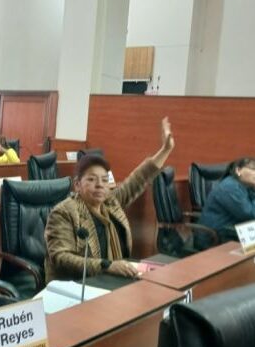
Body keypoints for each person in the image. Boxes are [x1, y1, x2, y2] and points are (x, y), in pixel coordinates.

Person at [44, 117, 175, 281]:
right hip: (77, 285)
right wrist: (107, 266)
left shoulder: (110, 202)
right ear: (77, 185)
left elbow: (139, 179)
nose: (100, 185)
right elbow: (61, 257)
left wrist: (165, 150)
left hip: (113, 278)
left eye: (104, 180)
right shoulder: (64, 213)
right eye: (92, 179)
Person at [198, 157, 255, 244]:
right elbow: (250, 214)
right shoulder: (230, 187)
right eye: (253, 169)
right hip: (215, 237)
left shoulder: (245, 186)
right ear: (238, 170)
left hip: (232, 231)